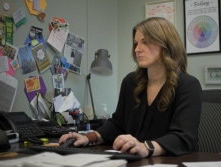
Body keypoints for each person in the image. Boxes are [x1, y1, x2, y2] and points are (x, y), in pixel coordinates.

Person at [59, 17, 202, 158]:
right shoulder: (130, 82)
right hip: (136, 161)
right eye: (136, 43)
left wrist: (146, 147)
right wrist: (89, 138)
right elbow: (118, 124)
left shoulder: (188, 86)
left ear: (166, 45)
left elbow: (182, 138)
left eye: (145, 42)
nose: (137, 49)